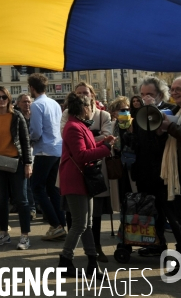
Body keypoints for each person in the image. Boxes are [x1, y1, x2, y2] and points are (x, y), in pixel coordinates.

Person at [57, 93, 116, 277]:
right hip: (75, 179)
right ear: (84, 108)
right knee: (80, 224)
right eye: (91, 106)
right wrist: (105, 150)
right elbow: (81, 155)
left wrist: (103, 143)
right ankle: (65, 261)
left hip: (82, 179)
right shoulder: (74, 127)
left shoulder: (79, 125)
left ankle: (92, 263)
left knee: (87, 224)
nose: (93, 109)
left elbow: (87, 149)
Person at [0, 87, 32, 250]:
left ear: (9, 99)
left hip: (16, 161)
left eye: (4, 97)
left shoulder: (17, 116)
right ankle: (3, 232)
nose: (1, 100)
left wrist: (28, 163)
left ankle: (25, 236)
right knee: (0, 200)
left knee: (21, 200)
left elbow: (25, 141)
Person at [130, 76, 175, 257]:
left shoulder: (170, 110)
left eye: (150, 94)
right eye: (142, 94)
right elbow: (139, 142)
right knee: (150, 211)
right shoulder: (140, 112)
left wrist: (154, 111)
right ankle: (157, 244)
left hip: (164, 171)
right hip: (144, 170)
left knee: (170, 213)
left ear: (160, 94)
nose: (145, 98)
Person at [27, 73, 66, 241]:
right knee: (52, 188)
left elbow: (36, 130)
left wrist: (29, 140)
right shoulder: (54, 103)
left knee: (37, 188)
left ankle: (55, 225)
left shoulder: (36, 105)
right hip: (57, 148)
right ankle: (61, 223)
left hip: (44, 150)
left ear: (32, 88)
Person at [158, 75, 181, 275]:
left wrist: (171, 127)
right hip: (179, 173)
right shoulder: (178, 110)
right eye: (173, 88)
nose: (175, 92)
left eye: (180, 89)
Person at [16, 93, 37, 219]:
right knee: (27, 181)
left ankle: (37, 206)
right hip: (24, 152)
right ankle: (31, 208)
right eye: (24, 101)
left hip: (36, 150)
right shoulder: (17, 116)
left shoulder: (35, 115)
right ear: (18, 103)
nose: (27, 104)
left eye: (29, 101)